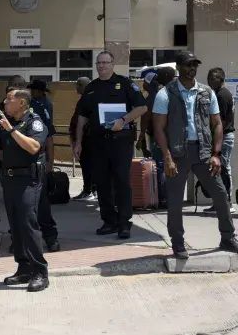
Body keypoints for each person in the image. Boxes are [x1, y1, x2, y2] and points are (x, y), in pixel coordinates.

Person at [152, 51, 238, 258]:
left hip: (204, 152)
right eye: (188, 64)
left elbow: (217, 123)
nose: (192, 68)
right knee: (174, 201)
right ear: (179, 68)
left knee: (220, 194)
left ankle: (227, 237)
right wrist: (168, 156)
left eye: (195, 65)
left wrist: (216, 154)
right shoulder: (166, 93)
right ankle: (178, 243)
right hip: (178, 153)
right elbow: (158, 128)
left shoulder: (207, 92)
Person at [0, 88, 50, 292]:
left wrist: (12, 130)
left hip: (28, 181)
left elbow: (34, 147)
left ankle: (40, 272)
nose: (5, 103)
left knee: (28, 225)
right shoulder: (8, 124)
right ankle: (24, 268)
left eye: (9, 100)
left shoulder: (33, 122)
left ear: (22, 103)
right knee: (15, 227)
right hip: (9, 180)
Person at [75, 51, 148, 239]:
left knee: (122, 181)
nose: (101, 66)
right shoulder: (91, 88)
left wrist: (123, 120)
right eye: (98, 63)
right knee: (102, 182)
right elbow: (82, 117)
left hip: (121, 142)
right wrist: (78, 142)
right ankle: (109, 221)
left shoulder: (125, 84)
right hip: (97, 142)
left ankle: (124, 223)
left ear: (112, 64)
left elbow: (142, 107)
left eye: (105, 62)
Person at [0, 77, 59, 253]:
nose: (20, 89)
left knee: (39, 207)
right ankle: (18, 242)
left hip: (33, 171)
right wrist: (6, 157)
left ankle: (50, 237)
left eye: (22, 86)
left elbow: (46, 136)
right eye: (15, 87)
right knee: (15, 210)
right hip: (9, 169)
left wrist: (50, 160)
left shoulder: (37, 108)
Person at [137, 67, 177, 208]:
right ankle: (170, 198)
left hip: (159, 136)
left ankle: (164, 199)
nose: (143, 85)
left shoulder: (153, 96)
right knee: (171, 165)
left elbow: (145, 117)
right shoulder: (170, 93)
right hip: (172, 135)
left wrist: (141, 136)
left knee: (161, 166)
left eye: (145, 83)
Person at [206, 67, 235, 213]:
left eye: (213, 79)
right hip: (223, 136)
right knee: (220, 169)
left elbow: (220, 122)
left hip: (224, 136)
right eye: (209, 78)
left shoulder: (222, 95)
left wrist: (214, 138)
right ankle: (220, 202)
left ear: (221, 80)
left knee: (223, 168)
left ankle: (226, 202)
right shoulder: (217, 94)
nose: (210, 81)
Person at [69, 77, 95, 201]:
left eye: (79, 85)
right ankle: (91, 189)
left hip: (87, 139)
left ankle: (89, 190)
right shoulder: (87, 99)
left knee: (87, 165)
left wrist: (77, 140)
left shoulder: (87, 99)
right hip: (85, 138)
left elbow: (82, 121)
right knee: (89, 165)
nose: (77, 87)